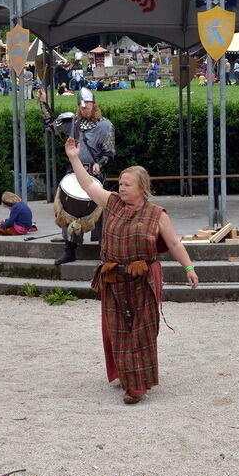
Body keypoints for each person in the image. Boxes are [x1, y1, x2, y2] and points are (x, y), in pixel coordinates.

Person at [64, 138, 198, 404]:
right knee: (118, 330)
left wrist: (189, 267)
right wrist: (74, 158)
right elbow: (89, 185)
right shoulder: (112, 203)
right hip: (114, 278)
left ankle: (137, 387)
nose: (121, 188)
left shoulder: (157, 214)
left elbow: (173, 243)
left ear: (142, 188)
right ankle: (128, 377)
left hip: (143, 279)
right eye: (120, 184)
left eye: (127, 184)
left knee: (142, 331)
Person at [37, 86, 115, 265]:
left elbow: (109, 153)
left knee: (101, 211)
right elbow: (50, 124)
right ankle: (69, 249)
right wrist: (43, 103)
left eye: (88, 103)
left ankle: (105, 251)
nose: (85, 107)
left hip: (94, 175)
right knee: (67, 209)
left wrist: (99, 164)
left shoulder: (106, 125)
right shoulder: (72, 123)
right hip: (74, 173)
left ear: (94, 104)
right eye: (82, 104)